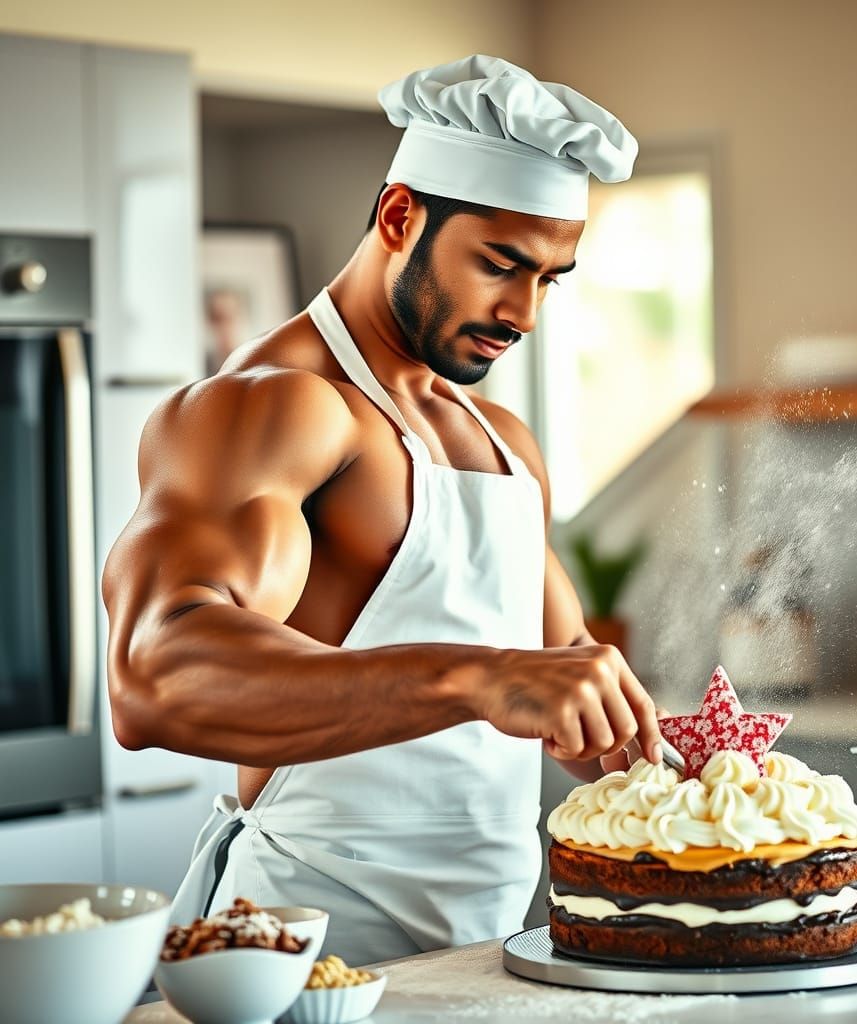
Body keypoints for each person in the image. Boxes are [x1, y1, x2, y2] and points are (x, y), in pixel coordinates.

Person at [102, 54, 662, 965]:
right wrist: (472, 679)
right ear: (400, 216)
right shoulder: (275, 406)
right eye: (499, 264)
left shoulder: (503, 443)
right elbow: (153, 676)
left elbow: (565, 687)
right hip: (299, 955)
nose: (523, 311)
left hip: (483, 955)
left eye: (548, 279)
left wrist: (696, 774)